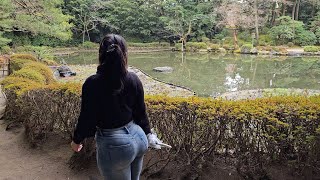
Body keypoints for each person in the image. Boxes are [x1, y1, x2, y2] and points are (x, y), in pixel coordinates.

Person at [70, 34, 162, 180]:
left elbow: (87, 118)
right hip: (139, 137)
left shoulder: (92, 84)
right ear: (124, 54)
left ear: (101, 54)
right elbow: (141, 112)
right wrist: (148, 133)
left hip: (115, 145)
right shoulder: (134, 79)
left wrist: (77, 140)